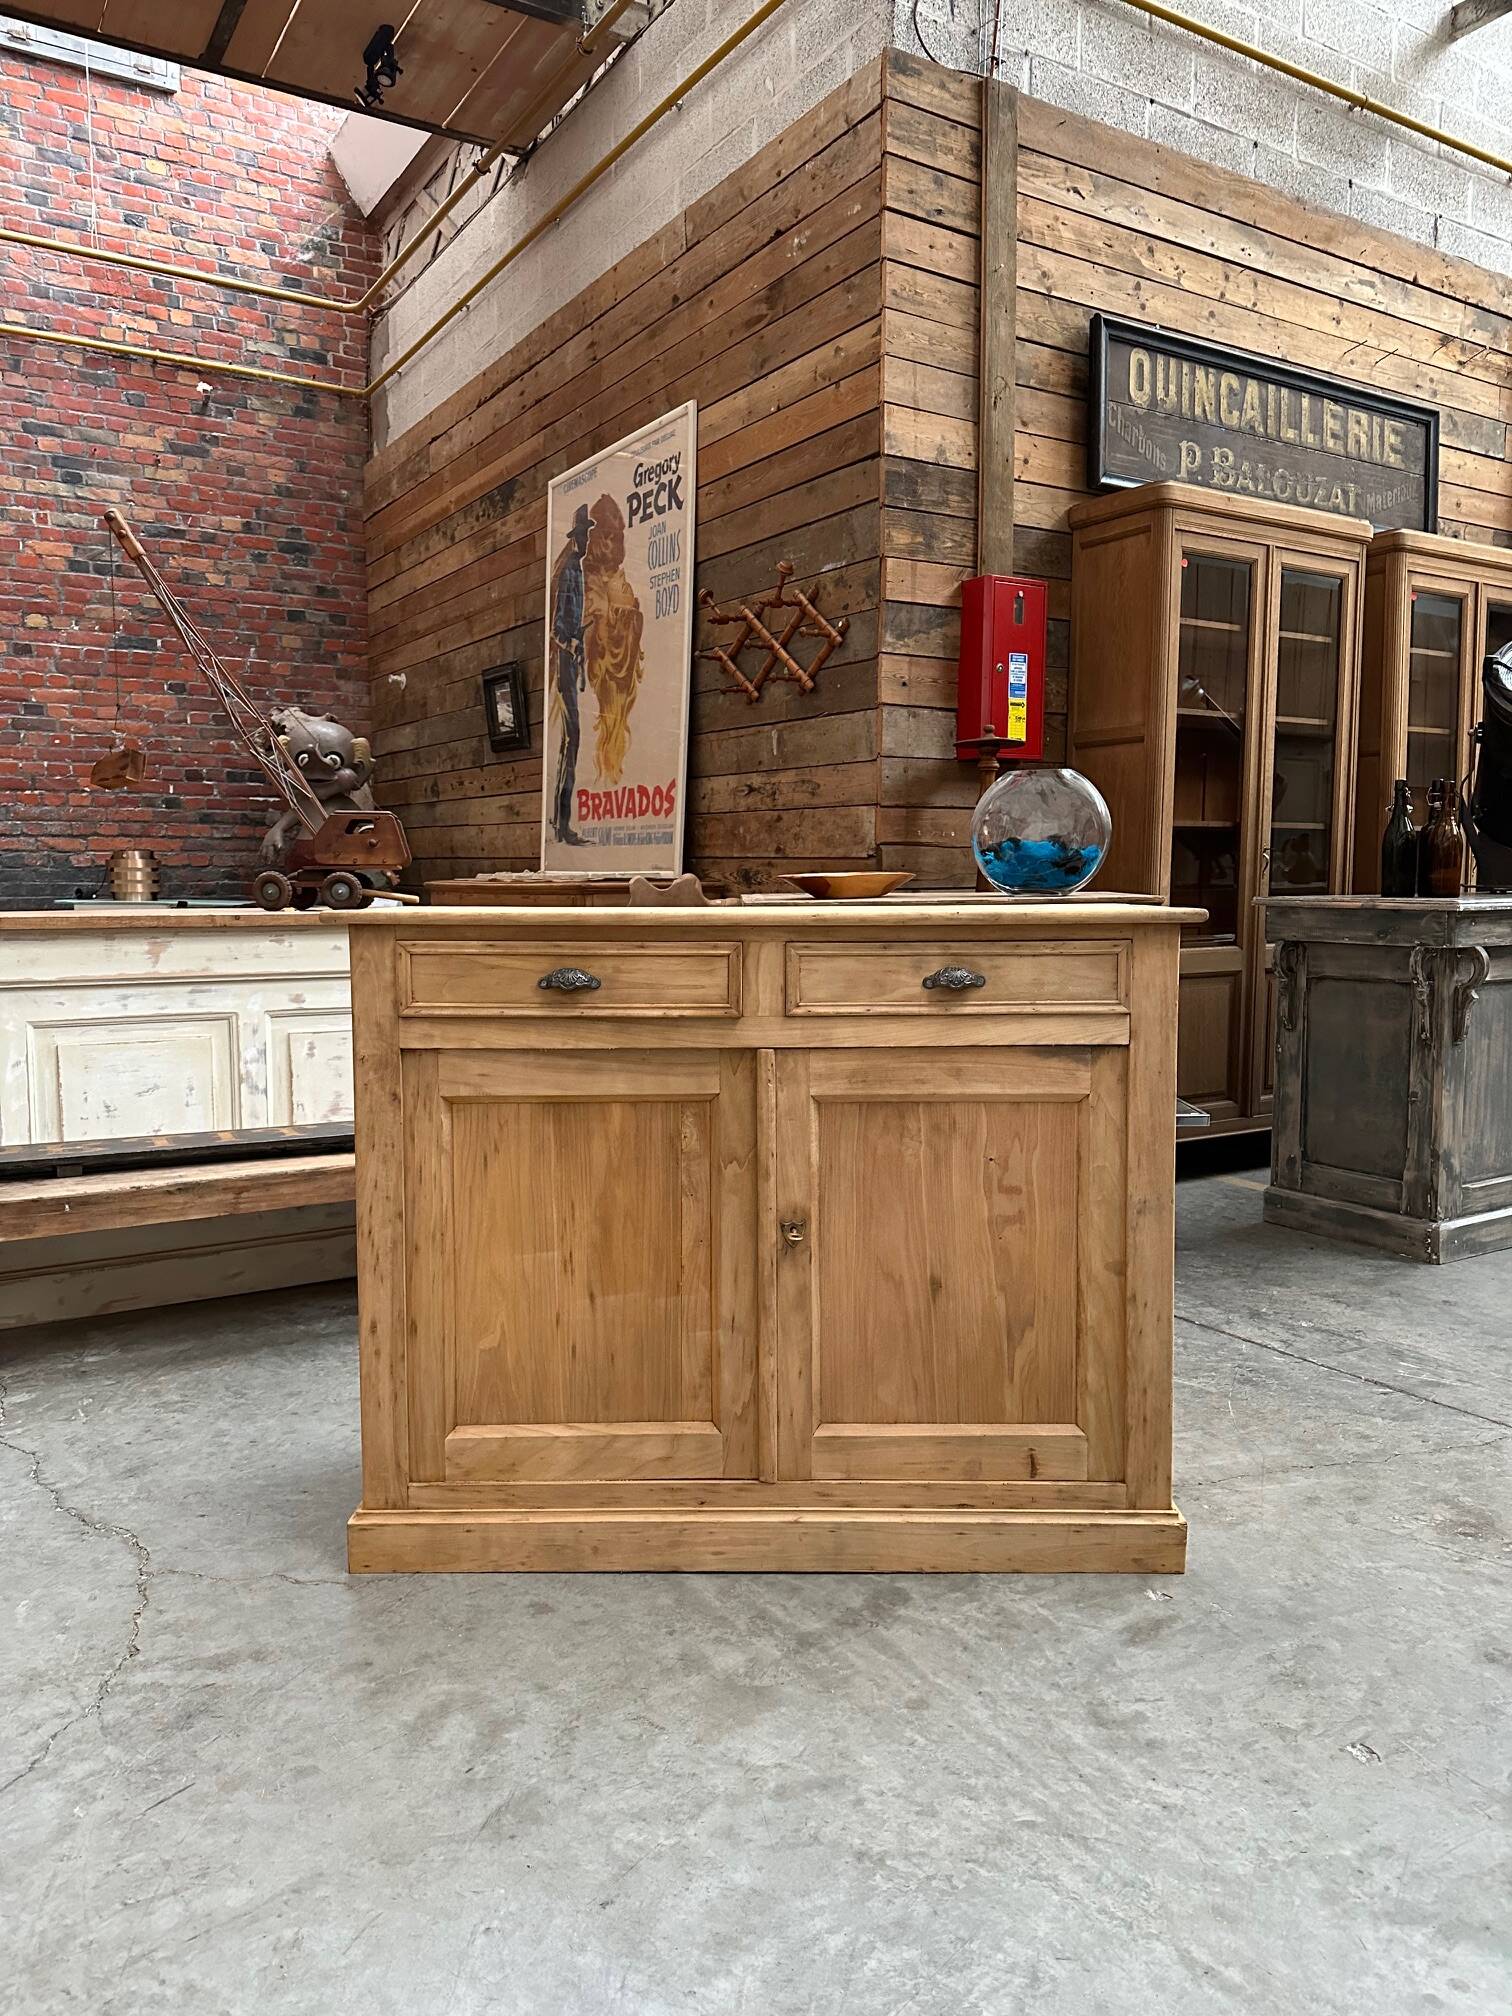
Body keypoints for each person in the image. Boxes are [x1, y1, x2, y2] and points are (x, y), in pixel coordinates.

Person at [549, 502, 593, 846]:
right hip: (565, 661)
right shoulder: (568, 570)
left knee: (571, 739)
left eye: (588, 533)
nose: (586, 539)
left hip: (573, 656)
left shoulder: (578, 568)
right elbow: (556, 629)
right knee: (571, 737)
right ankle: (561, 823)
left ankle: (559, 821)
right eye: (582, 534)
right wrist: (571, 644)